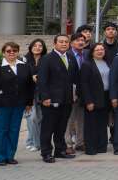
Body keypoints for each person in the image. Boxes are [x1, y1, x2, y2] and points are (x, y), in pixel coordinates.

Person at [0, 42, 33, 166]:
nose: (12, 53)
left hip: (19, 105)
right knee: (0, 131)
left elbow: (29, 86)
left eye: (14, 50)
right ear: (3, 53)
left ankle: (10, 155)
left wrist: (29, 103)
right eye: (8, 51)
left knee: (14, 130)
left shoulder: (24, 66)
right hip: (0, 106)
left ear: (18, 52)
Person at [37, 35, 78, 163]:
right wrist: (45, 97)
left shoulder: (70, 57)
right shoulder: (47, 59)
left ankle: (60, 150)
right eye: (61, 42)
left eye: (66, 42)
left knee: (61, 128)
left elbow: (74, 78)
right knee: (48, 128)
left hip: (67, 100)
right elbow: (42, 80)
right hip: (51, 100)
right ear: (55, 43)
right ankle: (46, 153)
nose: (64, 44)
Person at [80, 42, 109, 155]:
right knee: (91, 124)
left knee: (102, 123)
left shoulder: (107, 62)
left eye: (102, 49)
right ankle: (91, 148)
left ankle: (101, 147)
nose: (100, 51)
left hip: (105, 97)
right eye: (97, 50)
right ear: (92, 52)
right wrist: (88, 101)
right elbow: (84, 84)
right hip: (93, 98)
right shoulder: (87, 64)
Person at [64, 33, 88, 154]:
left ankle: (80, 143)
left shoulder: (87, 54)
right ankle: (68, 144)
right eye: (78, 40)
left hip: (84, 92)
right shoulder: (67, 55)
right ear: (72, 42)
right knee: (69, 118)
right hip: (70, 91)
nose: (81, 42)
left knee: (81, 118)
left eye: (83, 40)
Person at [23, 38, 47, 152]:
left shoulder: (46, 59)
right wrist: (30, 77)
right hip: (29, 93)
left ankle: (32, 141)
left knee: (41, 118)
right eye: (35, 45)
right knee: (31, 118)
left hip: (42, 92)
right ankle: (36, 143)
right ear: (31, 47)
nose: (37, 47)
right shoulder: (24, 59)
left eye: (40, 46)